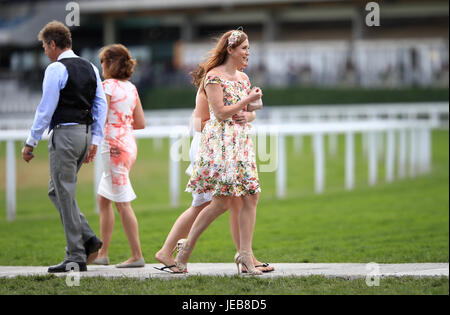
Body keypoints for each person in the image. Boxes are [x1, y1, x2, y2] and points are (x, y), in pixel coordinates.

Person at [154, 87, 274, 274]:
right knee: (209, 203)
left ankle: (246, 256)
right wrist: (229, 120)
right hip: (209, 148)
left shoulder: (232, 83)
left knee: (232, 203)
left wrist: (245, 117)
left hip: (225, 147)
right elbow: (197, 123)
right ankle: (168, 251)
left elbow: (248, 114)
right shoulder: (209, 86)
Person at [174, 28, 264, 275]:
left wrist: (251, 111)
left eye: (248, 49)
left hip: (242, 143)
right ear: (231, 50)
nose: (248, 53)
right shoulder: (213, 77)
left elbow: (251, 111)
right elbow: (221, 112)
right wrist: (247, 102)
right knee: (221, 203)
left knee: (251, 196)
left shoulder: (244, 78)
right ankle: (185, 248)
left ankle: (245, 256)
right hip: (222, 144)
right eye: (244, 48)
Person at [21, 21, 107, 273]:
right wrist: (94, 140)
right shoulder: (90, 67)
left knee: (64, 192)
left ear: (53, 44)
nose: (45, 52)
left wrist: (31, 141)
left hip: (66, 135)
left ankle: (76, 256)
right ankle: (89, 238)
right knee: (57, 190)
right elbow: (100, 105)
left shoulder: (56, 69)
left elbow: (45, 109)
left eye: (44, 47)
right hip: (85, 134)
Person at [92, 44, 146, 268]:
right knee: (104, 199)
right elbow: (140, 123)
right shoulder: (131, 88)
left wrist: (92, 144)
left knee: (122, 203)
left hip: (112, 147)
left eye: (103, 61)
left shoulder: (107, 86)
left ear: (110, 63)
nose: (101, 66)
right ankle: (103, 253)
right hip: (129, 145)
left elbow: (100, 118)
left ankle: (137, 256)